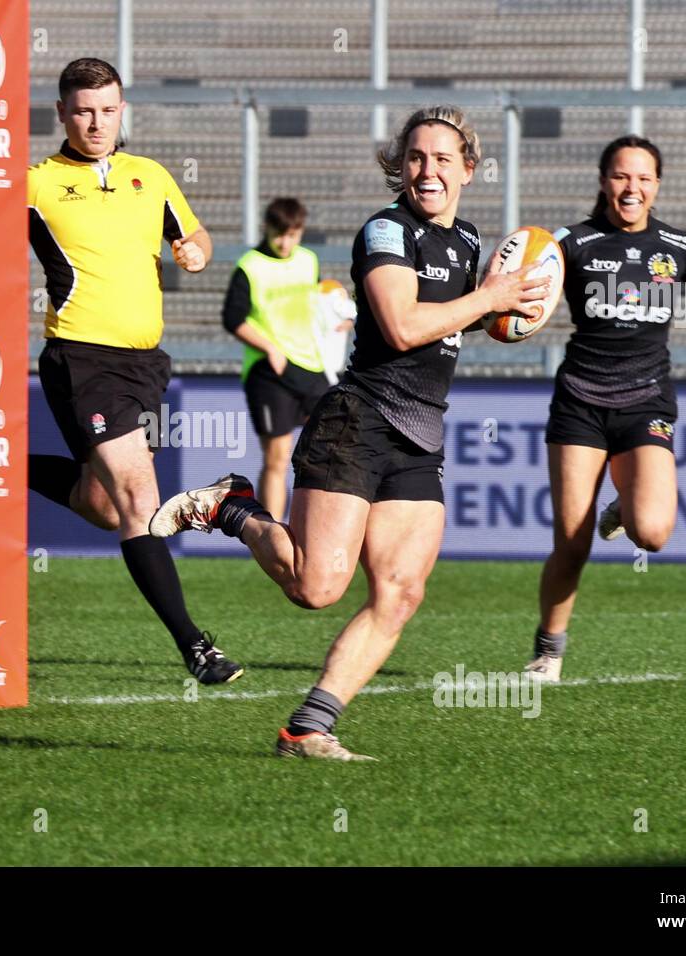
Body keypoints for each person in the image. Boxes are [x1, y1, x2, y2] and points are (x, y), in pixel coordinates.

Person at [149, 106, 548, 759]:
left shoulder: (471, 242)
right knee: (316, 588)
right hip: (358, 421)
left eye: (443, 159)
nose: (427, 170)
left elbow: (457, 319)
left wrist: (517, 308)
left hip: (420, 434)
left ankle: (309, 727)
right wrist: (490, 300)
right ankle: (233, 508)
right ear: (401, 165)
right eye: (416, 157)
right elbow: (399, 326)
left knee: (401, 591)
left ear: (468, 170)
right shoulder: (386, 231)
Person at [25, 58, 242, 684]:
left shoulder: (150, 175)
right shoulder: (34, 184)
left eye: (108, 109)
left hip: (146, 364)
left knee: (102, 503)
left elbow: (194, 233)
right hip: (83, 357)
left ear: (123, 110)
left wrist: (196, 250)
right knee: (141, 499)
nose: (97, 121)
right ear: (63, 113)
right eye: (84, 110)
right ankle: (195, 645)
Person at [524, 135, 686, 683]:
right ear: (604, 180)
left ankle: (626, 506)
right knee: (572, 541)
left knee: (652, 534)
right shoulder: (572, 242)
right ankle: (548, 651)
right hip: (580, 403)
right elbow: (523, 290)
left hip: (645, 403)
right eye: (622, 176)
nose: (632, 188)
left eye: (644, 178)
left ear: (657, 185)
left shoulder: (678, 246)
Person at [222, 197, 352, 520]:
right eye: (280, 234)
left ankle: (318, 527)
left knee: (327, 450)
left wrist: (340, 319)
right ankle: (271, 532)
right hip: (269, 372)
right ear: (267, 229)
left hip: (312, 368)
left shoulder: (308, 261)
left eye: (292, 234)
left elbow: (319, 305)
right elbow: (232, 318)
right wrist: (270, 348)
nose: (285, 242)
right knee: (277, 458)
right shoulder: (249, 266)